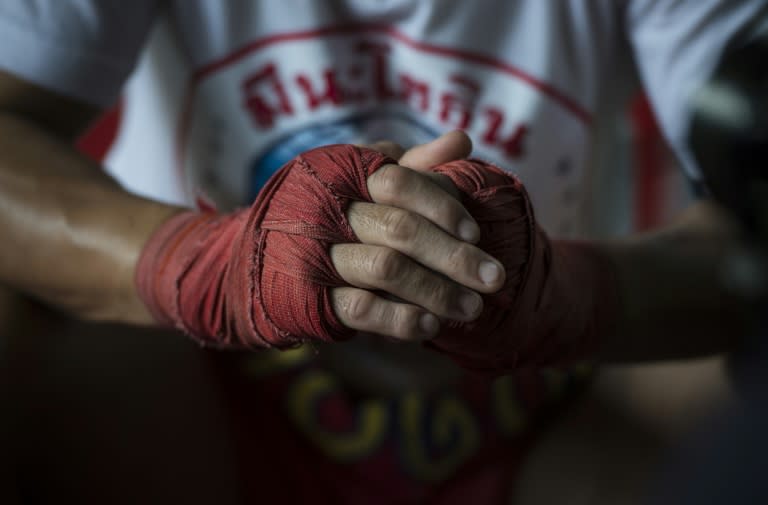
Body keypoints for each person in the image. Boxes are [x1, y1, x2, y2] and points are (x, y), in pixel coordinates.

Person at [0, 1, 764, 503]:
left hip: (547, 412)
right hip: (190, 397)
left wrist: (567, 298)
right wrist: (201, 266)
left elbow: (750, 232)